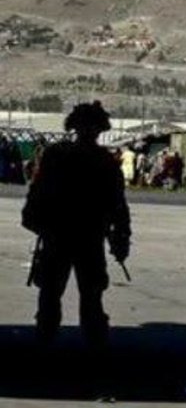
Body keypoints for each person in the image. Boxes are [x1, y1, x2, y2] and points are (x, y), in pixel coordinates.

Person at [21, 102, 131, 345]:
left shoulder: (56, 155)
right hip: (86, 237)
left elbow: (37, 194)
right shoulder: (105, 162)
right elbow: (118, 206)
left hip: (60, 235)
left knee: (52, 294)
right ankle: (91, 347)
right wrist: (121, 237)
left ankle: (46, 341)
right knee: (88, 297)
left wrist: (35, 220)